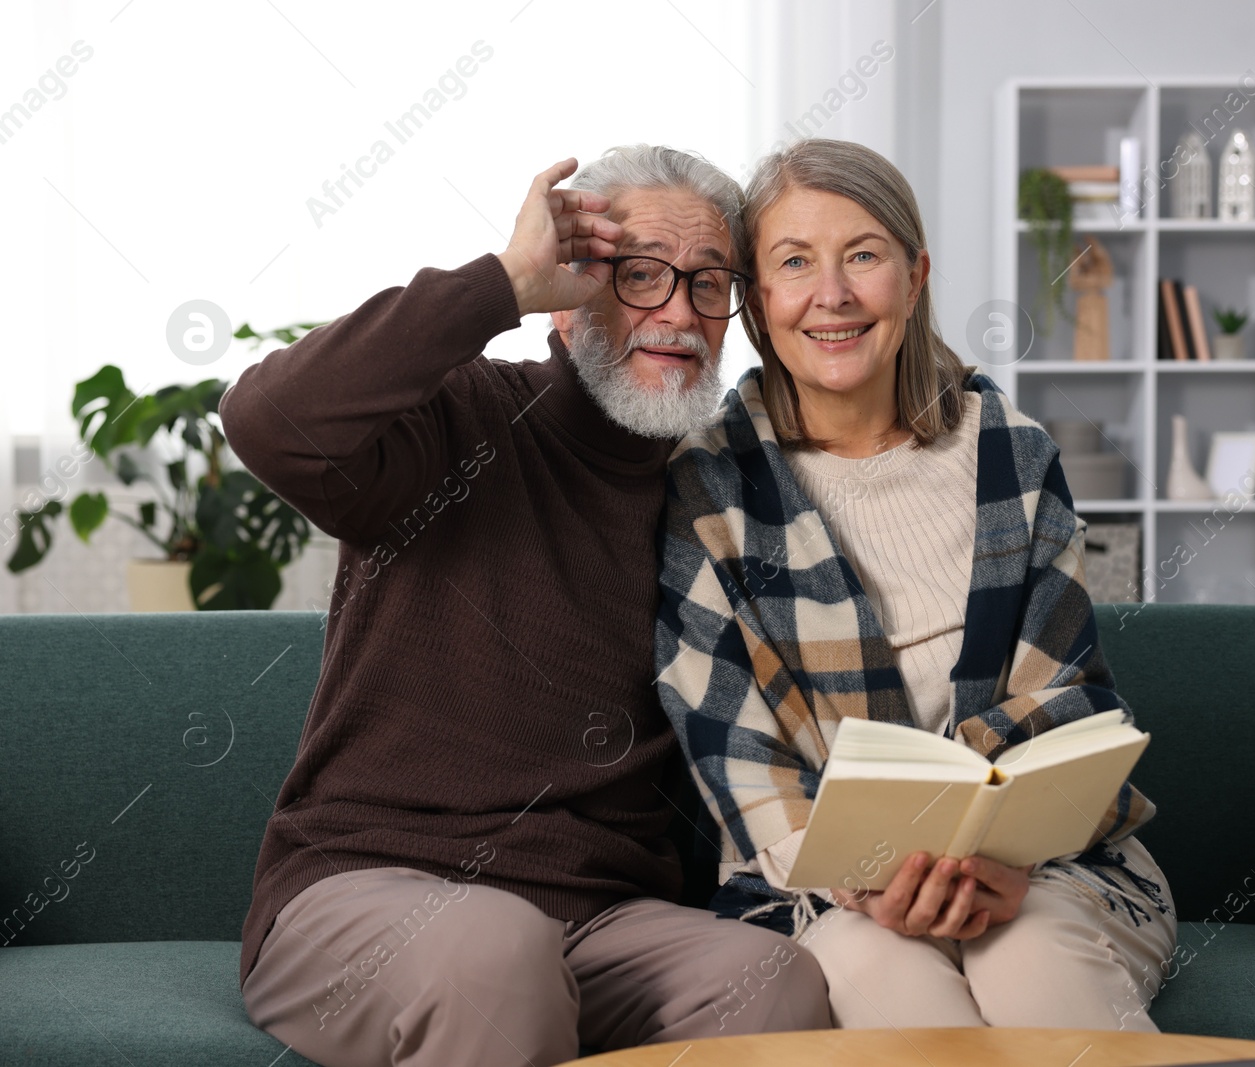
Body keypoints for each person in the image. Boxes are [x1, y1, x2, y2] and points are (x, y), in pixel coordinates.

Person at [223, 147, 830, 1067]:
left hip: (601, 921)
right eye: (638, 276)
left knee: (771, 975)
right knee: (495, 947)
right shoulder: (456, 420)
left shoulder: (723, 495)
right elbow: (267, 420)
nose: (678, 313)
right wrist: (500, 281)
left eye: (710, 285)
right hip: (370, 889)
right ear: (563, 300)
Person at [656, 138, 1178, 1031]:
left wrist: (993, 861)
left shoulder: (1010, 451)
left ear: (915, 274)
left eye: (863, 255)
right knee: (888, 980)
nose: (833, 295)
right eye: (794, 263)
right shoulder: (709, 484)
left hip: (1048, 866)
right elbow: (731, 744)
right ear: (756, 305)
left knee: (1033, 955)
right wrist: (871, 874)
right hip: (826, 891)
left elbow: (1067, 697)